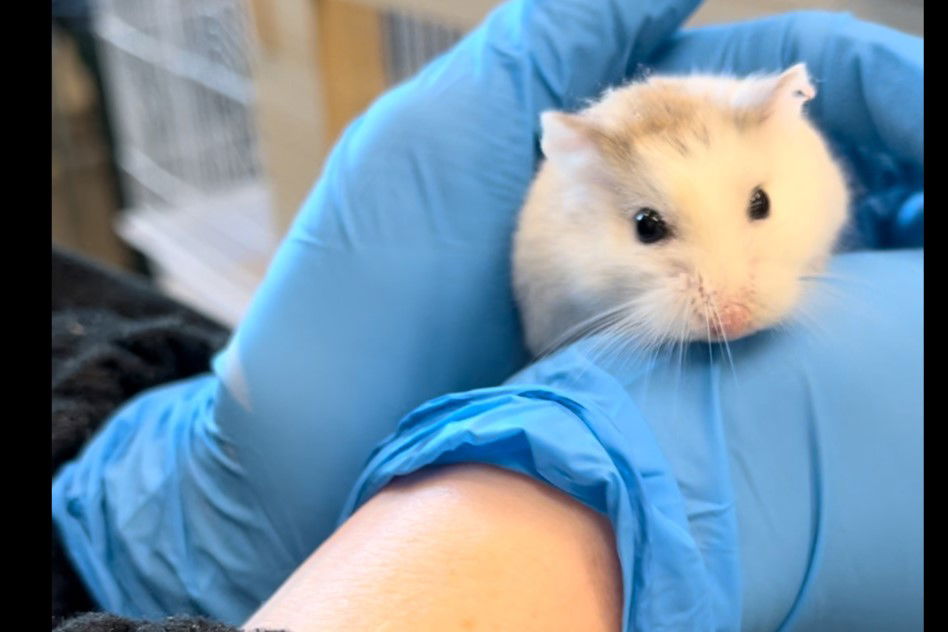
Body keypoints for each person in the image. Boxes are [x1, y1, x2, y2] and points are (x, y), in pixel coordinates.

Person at [52, 0, 923, 629]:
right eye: (652, 228)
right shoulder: (575, 176)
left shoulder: (785, 138)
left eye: (759, 208)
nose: (727, 291)